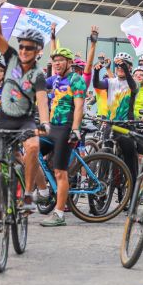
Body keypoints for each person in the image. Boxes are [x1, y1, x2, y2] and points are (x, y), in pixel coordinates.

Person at [0, 0, 51, 211]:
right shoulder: (12, 59)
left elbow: (42, 101)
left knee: (33, 148)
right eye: (22, 46)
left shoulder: (38, 75)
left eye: (29, 48)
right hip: (4, 117)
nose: (24, 50)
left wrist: (45, 123)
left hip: (26, 119)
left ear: (37, 52)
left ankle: (27, 195)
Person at [41, 47, 86, 226]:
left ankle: (59, 213)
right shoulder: (55, 80)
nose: (57, 63)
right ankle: (43, 191)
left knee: (60, 172)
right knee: (30, 147)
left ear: (69, 62)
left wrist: (75, 130)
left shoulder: (76, 80)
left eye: (60, 60)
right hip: (52, 127)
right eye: (54, 60)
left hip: (66, 129)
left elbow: (80, 106)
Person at [93, 51, 138, 180]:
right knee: (104, 155)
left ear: (129, 68)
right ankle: (102, 184)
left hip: (126, 125)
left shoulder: (133, 82)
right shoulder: (111, 81)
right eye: (118, 66)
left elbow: (133, 87)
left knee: (130, 159)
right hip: (111, 124)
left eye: (123, 66)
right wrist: (96, 72)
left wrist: (125, 68)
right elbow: (97, 85)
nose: (119, 68)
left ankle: (133, 188)